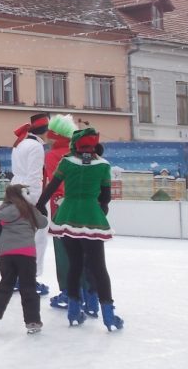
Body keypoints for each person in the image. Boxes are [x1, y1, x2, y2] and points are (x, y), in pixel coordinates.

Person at [37, 127, 124, 331]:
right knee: (98, 267)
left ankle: (74, 312)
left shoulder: (67, 162)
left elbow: (51, 186)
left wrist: (40, 205)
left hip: (67, 215)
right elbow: (106, 197)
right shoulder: (103, 165)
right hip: (91, 215)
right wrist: (100, 208)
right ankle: (108, 316)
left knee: (74, 265)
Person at [42, 114, 99, 313]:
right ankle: (91, 296)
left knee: (65, 253)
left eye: (49, 135)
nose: (47, 139)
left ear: (55, 136)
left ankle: (70, 293)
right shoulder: (83, 154)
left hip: (63, 209)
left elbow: (56, 183)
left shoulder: (52, 156)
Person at [0, 184, 48, 335]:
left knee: (5, 284)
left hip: (6, 255)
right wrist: (40, 209)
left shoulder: (1, 212)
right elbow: (43, 223)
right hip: (26, 254)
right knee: (28, 287)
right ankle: (32, 321)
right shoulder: (29, 209)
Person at [9, 112, 50, 295]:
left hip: (15, 191)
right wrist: (38, 202)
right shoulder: (35, 147)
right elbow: (35, 176)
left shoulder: (20, 144)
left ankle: (16, 276)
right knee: (37, 238)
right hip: (29, 193)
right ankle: (30, 279)